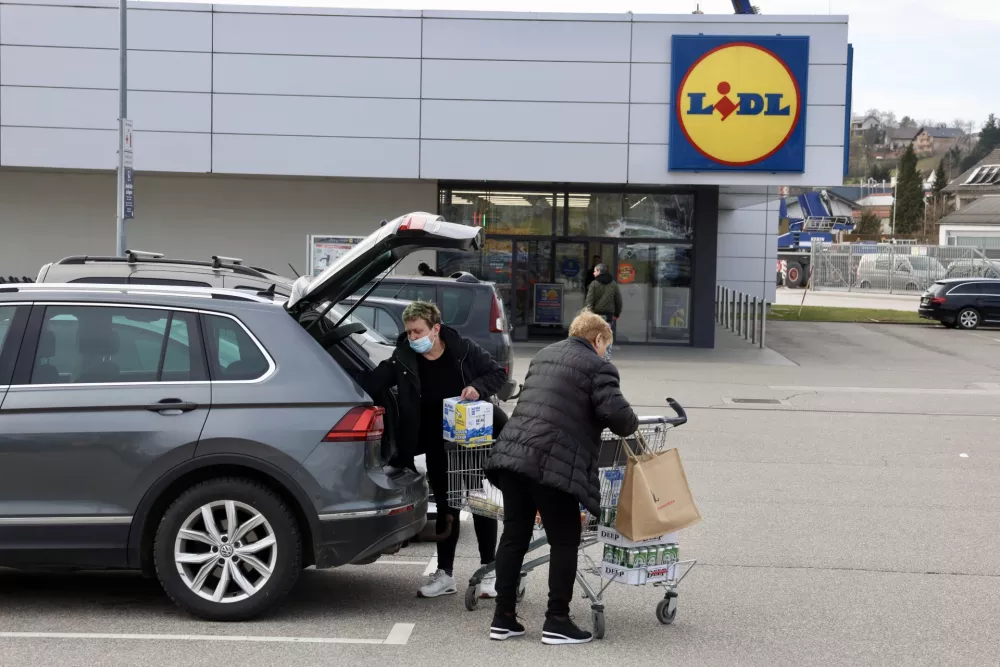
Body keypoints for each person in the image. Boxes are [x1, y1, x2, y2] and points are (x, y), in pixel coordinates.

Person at [484, 311, 638, 645]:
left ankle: (503, 617)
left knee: (514, 536)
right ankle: (557, 621)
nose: (604, 352)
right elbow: (619, 418)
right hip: (551, 465)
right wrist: (632, 421)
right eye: (605, 346)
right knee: (566, 540)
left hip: (513, 457)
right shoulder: (598, 367)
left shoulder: (544, 355)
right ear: (598, 339)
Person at [360, 301, 508, 599]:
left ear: (435, 328)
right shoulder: (403, 358)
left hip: (472, 441)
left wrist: (478, 388)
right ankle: (446, 574)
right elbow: (371, 383)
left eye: (418, 331)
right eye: (409, 332)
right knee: (446, 506)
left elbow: (497, 374)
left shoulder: (464, 349)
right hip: (436, 443)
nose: (413, 338)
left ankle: (489, 570)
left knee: (482, 503)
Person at [584, 263, 623, 358]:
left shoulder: (594, 284)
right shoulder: (613, 284)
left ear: (599, 272)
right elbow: (618, 300)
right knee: (607, 335)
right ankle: (606, 357)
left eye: (595, 271)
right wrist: (616, 314)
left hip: (595, 315)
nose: (593, 273)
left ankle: (596, 356)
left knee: (595, 335)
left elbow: (589, 301)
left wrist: (588, 314)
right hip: (608, 315)